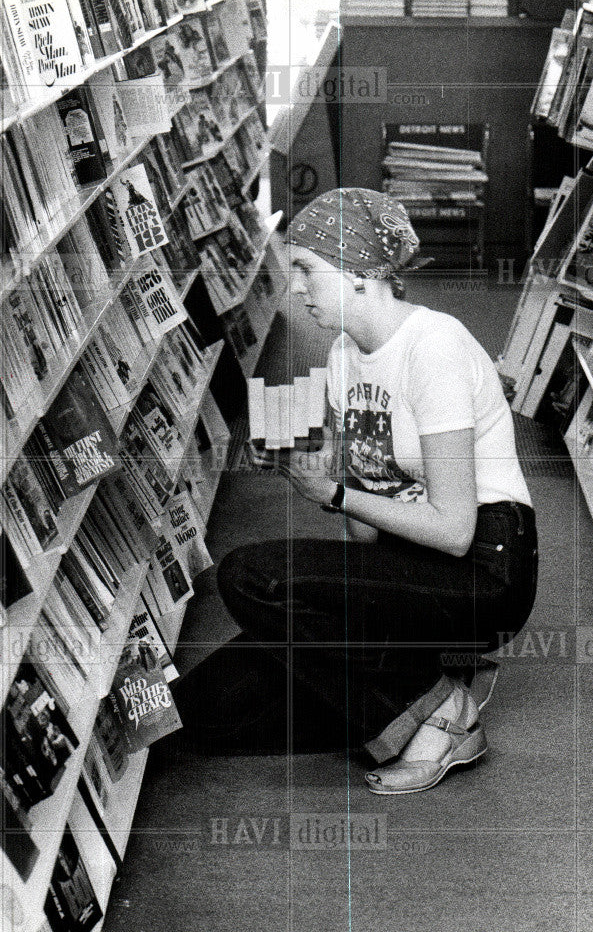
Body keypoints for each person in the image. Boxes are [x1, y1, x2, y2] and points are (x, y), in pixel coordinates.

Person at [173, 189, 538, 795]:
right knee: (207, 711)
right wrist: (334, 479)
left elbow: (453, 530)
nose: (296, 289)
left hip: (486, 570)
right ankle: (412, 684)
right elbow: (370, 538)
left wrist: (338, 493)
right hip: (412, 563)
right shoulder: (346, 357)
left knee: (250, 576)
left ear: (361, 274)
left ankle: (441, 709)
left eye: (307, 271)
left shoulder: (434, 347)